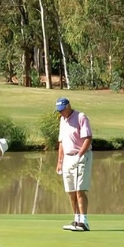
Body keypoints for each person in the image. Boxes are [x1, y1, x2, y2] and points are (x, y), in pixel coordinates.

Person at [54, 97, 91, 231]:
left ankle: (84, 221)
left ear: (68, 106)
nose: (61, 113)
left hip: (81, 156)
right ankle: (76, 220)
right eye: (59, 111)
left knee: (79, 190)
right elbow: (61, 142)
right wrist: (60, 161)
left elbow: (88, 138)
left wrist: (79, 155)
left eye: (62, 110)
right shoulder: (62, 120)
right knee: (70, 191)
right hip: (67, 159)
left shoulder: (81, 117)